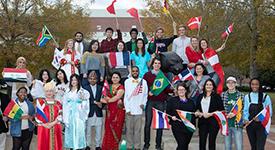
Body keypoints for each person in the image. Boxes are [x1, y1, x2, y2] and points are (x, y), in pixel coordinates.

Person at [143, 57, 172, 150]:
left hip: (161, 102)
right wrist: (147, 92)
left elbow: (167, 89)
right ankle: (146, 144)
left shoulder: (164, 75)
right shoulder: (147, 75)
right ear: (153, 64)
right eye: (155, 63)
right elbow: (143, 88)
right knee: (148, 124)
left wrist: (172, 90)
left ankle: (158, 145)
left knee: (160, 124)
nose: (157, 65)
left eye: (159, 63)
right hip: (150, 101)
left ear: (160, 65)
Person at [194, 79, 224, 150]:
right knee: (202, 142)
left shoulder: (217, 96)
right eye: (207, 84)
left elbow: (221, 110)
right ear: (204, 86)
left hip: (213, 122)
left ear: (213, 86)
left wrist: (210, 114)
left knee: (211, 142)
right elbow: (197, 108)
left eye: (210, 85)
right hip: (202, 122)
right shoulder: (200, 96)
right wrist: (198, 113)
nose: (209, 86)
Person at [243, 78, 272, 150]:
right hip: (250, 125)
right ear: (250, 85)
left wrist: (260, 118)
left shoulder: (265, 97)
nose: (254, 86)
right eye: (252, 84)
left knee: (260, 147)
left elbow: (269, 112)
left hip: (262, 125)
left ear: (259, 85)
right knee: (253, 147)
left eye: (256, 84)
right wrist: (246, 119)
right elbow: (245, 110)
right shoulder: (247, 97)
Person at [63, 74, 90, 150]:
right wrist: (65, 117)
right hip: (70, 115)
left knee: (79, 133)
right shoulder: (67, 92)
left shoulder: (83, 92)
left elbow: (86, 104)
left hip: (79, 115)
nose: (74, 81)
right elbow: (65, 105)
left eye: (75, 80)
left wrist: (82, 102)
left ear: (78, 81)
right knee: (70, 133)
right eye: (72, 80)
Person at [124, 66, 148, 150]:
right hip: (130, 110)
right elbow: (126, 96)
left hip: (139, 110)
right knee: (129, 131)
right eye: (133, 71)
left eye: (136, 71)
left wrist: (143, 104)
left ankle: (137, 147)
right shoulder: (127, 81)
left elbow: (145, 95)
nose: (135, 72)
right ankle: (129, 147)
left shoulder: (143, 82)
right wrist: (127, 109)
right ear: (131, 72)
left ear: (139, 72)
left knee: (137, 131)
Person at [166, 82, 196, 150]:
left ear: (185, 91)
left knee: (184, 145)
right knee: (182, 144)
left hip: (189, 127)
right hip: (177, 126)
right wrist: (171, 117)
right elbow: (168, 112)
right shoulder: (172, 100)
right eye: (179, 90)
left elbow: (193, 114)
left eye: (183, 89)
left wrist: (196, 114)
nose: (181, 91)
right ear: (177, 91)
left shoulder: (191, 102)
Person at [100, 72, 125, 150]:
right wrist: (101, 100)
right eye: (113, 77)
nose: (115, 79)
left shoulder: (121, 87)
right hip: (109, 111)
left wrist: (107, 100)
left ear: (120, 79)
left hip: (118, 111)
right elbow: (102, 98)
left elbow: (117, 97)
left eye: (117, 77)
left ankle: (114, 147)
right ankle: (107, 147)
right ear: (111, 78)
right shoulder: (109, 87)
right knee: (108, 129)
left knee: (116, 128)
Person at [36, 82, 63, 150]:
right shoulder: (41, 103)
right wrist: (45, 125)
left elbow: (60, 116)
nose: (49, 93)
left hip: (56, 127)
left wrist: (51, 124)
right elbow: (38, 116)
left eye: (51, 91)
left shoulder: (58, 104)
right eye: (47, 91)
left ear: (54, 92)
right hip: (43, 129)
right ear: (44, 92)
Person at [221, 76, 244, 150]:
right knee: (227, 147)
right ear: (226, 84)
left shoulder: (241, 95)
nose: (230, 84)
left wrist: (235, 113)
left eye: (232, 82)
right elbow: (220, 109)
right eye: (228, 82)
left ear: (235, 84)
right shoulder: (223, 95)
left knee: (239, 147)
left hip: (237, 124)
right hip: (226, 125)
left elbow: (243, 109)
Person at [83, 71, 104, 150]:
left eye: (94, 79)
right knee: (88, 130)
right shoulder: (85, 88)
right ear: (88, 79)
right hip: (89, 112)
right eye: (90, 79)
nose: (92, 80)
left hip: (98, 112)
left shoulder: (100, 88)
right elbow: (84, 100)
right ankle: (88, 145)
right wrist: (95, 102)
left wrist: (102, 105)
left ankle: (98, 145)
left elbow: (104, 99)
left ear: (97, 79)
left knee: (98, 130)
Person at [0, 80, 10, 150]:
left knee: (2, 145)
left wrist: (7, 116)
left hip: (2, 125)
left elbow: (11, 109)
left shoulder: (5, 97)